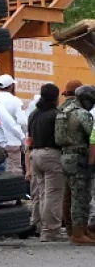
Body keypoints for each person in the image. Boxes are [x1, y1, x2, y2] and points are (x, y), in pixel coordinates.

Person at [26, 84, 65, 242]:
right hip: (51, 155)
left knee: (41, 194)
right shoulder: (55, 114)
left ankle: (39, 225)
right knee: (53, 195)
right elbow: (61, 137)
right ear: (56, 97)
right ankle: (50, 231)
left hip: (35, 154)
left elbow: (29, 136)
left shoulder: (34, 114)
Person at [56, 85, 95, 245]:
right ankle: (79, 233)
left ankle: (79, 230)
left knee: (70, 195)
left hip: (65, 155)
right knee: (81, 197)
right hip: (79, 157)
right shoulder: (82, 114)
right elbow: (91, 134)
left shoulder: (63, 111)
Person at [0, 74, 27, 173]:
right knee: (14, 172)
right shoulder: (15, 101)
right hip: (13, 142)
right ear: (11, 86)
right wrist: (24, 137)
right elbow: (23, 122)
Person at [60, 79, 82, 236]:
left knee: (66, 194)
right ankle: (78, 230)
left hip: (62, 155)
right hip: (78, 155)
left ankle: (69, 228)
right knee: (79, 194)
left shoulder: (60, 109)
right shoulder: (79, 110)